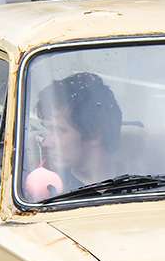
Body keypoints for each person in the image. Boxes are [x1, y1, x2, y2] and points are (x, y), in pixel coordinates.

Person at [24, 72, 124, 200]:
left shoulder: (143, 182)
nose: (46, 143)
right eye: (48, 130)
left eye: (59, 130)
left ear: (94, 134)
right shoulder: (48, 190)